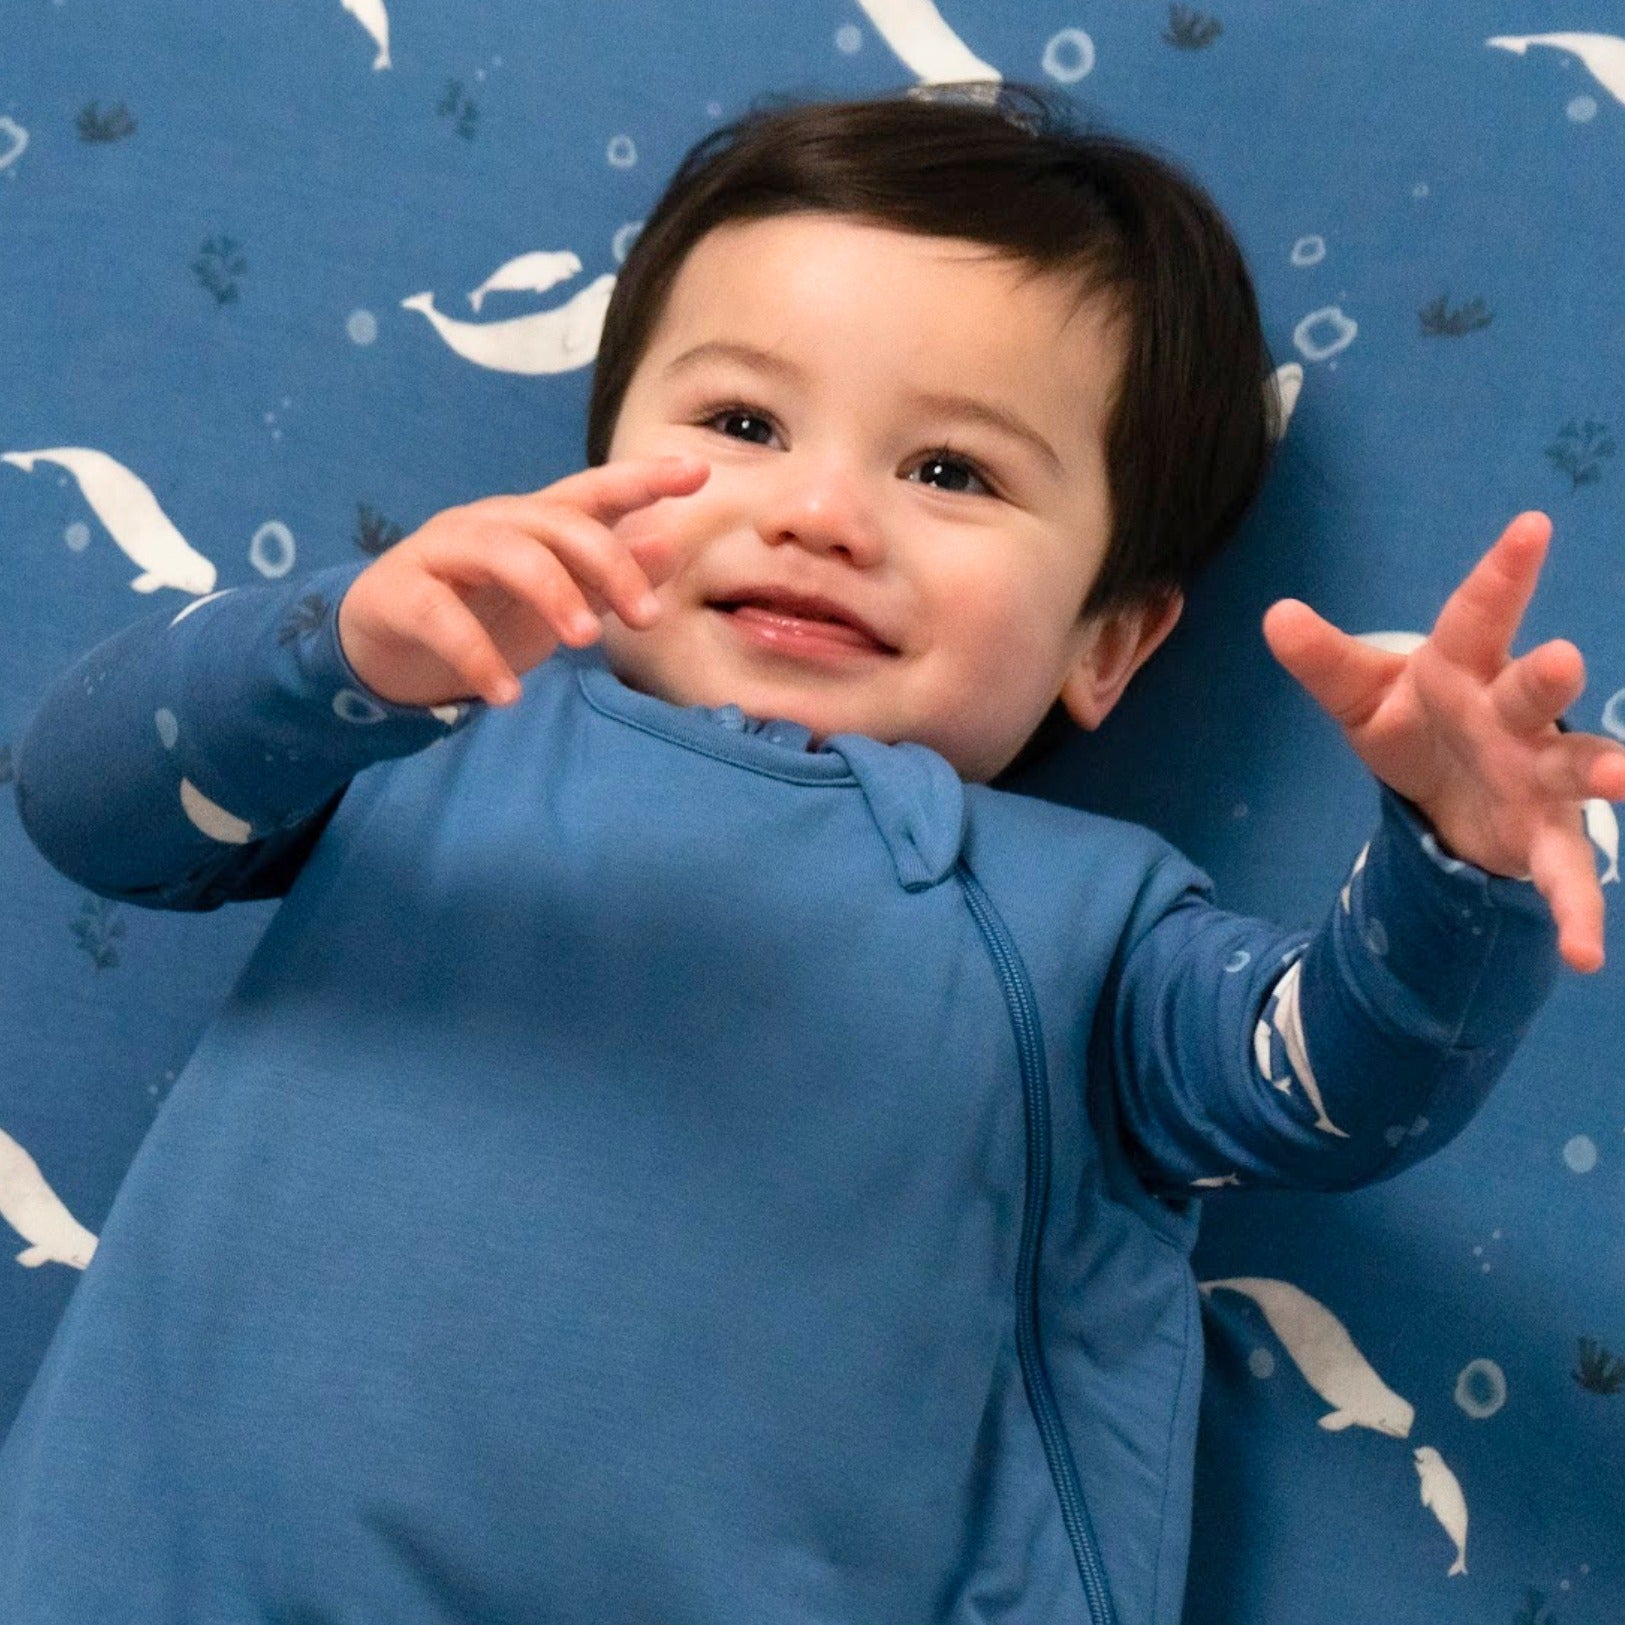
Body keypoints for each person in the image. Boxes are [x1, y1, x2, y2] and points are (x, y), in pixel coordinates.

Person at [4, 81, 1620, 1625]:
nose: (823, 514)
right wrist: (341, 650)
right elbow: (91, 808)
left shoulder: (1088, 926)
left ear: (1106, 643)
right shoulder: (423, 733)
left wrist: (1448, 857)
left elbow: (1325, 1084)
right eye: (741, 421)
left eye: (950, 471)